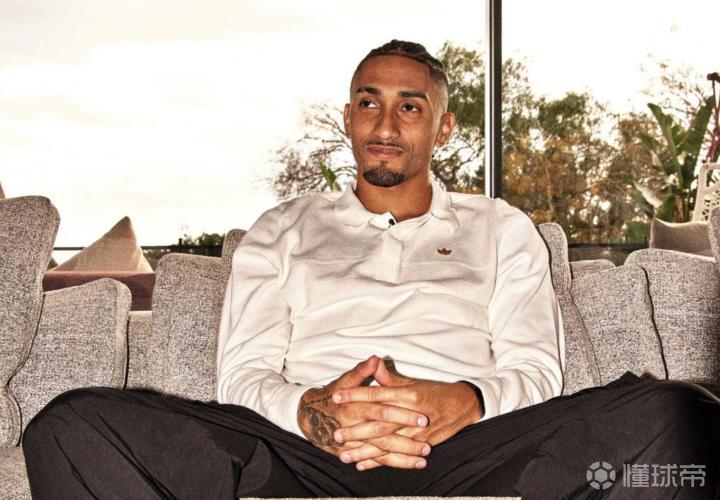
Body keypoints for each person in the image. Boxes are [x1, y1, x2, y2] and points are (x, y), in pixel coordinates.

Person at [23, 40, 719, 499]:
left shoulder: (501, 228)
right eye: (369, 103)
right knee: (74, 425)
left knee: (679, 418)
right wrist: (314, 411)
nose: (385, 125)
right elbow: (244, 375)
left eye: (409, 106)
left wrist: (464, 401)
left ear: (442, 128)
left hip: (473, 452)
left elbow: (537, 369)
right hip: (304, 457)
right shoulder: (282, 229)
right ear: (348, 118)